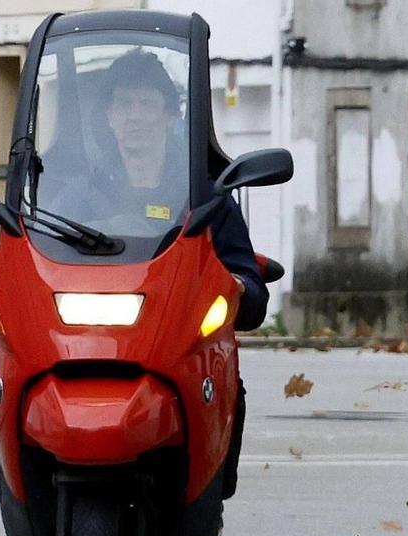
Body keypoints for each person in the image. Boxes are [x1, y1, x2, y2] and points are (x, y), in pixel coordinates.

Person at [79, 48, 270, 332]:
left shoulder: (206, 196)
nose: (135, 116)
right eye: (124, 104)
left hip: (184, 345)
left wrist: (237, 285)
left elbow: (253, 301)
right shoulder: (79, 198)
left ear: (171, 116)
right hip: (93, 342)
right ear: (109, 115)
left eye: (147, 104)